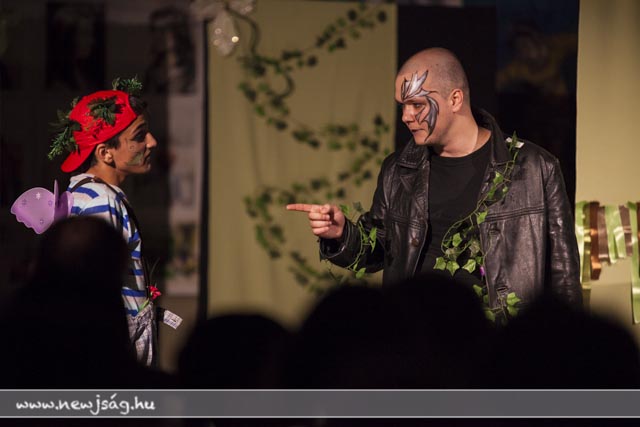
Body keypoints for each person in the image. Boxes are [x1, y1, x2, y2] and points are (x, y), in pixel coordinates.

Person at [287, 47, 582, 315]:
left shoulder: (534, 167)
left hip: (496, 343)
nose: (406, 116)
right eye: (402, 106)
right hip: (416, 335)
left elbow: (564, 275)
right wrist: (341, 234)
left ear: (455, 99)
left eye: (417, 104)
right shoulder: (399, 170)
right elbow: (379, 250)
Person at [46, 77, 176, 366]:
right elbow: (93, 287)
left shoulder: (93, 194)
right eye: (139, 136)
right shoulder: (100, 201)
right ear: (105, 152)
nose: (152, 142)